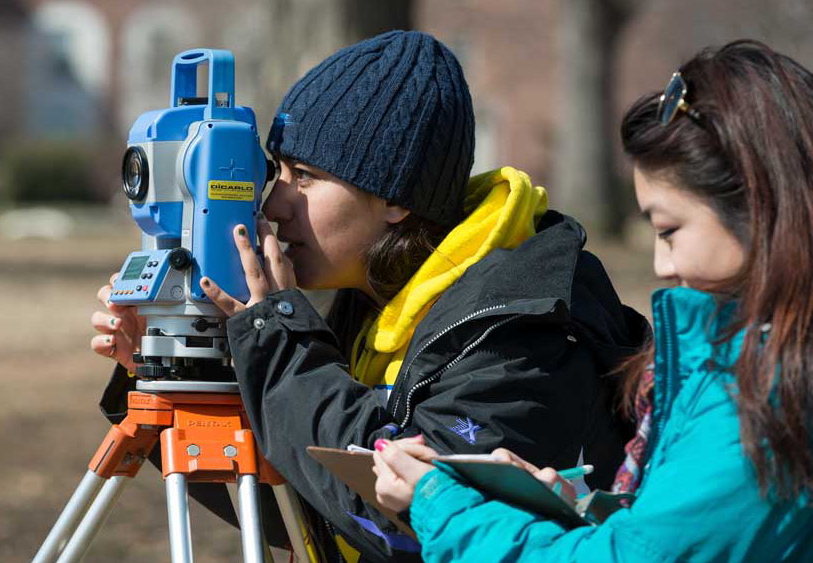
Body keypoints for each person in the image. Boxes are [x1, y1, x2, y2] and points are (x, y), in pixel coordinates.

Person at [92, 31, 646, 562]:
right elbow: (306, 501)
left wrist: (281, 346)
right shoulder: (380, 296)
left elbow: (393, 524)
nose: (276, 203)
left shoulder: (518, 334)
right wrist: (175, 370)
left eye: (304, 175)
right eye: (276, 171)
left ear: (396, 199)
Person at [372, 39, 813, 562]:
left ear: (759, 209)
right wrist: (570, 506)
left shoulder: (764, 404)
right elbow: (675, 530)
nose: (661, 265)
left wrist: (442, 506)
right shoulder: (750, 372)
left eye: (669, 230)